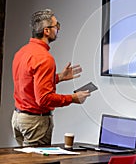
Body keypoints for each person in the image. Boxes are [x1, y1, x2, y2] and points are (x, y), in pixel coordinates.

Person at [11, 8, 91, 146]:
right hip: (35, 123)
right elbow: (44, 99)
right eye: (56, 25)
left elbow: (28, 83)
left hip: (19, 118)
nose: (58, 29)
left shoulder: (22, 52)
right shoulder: (44, 58)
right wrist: (73, 98)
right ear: (46, 31)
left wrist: (59, 77)